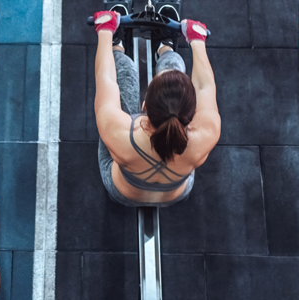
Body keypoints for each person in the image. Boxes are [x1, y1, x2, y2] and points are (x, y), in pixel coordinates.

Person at [91, 5, 222, 206]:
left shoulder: (119, 132)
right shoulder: (207, 133)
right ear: (192, 113)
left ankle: (116, 46)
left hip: (123, 192)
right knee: (174, 70)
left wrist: (106, 31)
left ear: (144, 106)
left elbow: (105, 78)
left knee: (124, 77)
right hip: (175, 194)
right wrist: (197, 41)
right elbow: (205, 87)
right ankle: (165, 48)